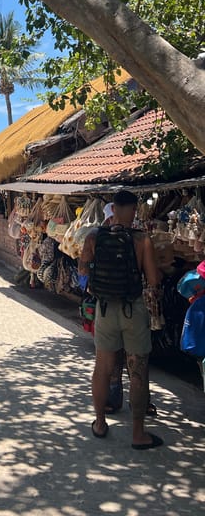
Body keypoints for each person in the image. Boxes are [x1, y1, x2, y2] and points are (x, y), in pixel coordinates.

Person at [79, 189, 163, 450]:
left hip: (105, 310)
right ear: (134, 210)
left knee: (102, 369)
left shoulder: (93, 237)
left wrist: (97, 282)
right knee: (137, 370)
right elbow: (153, 280)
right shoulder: (142, 240)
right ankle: (138, 434)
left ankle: (100, 423)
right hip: (133, 309)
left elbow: (82, 270)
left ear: (112, 209)